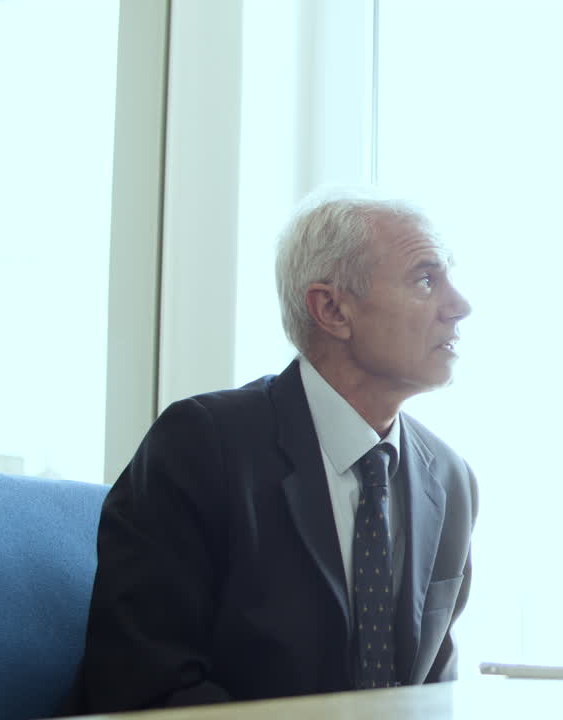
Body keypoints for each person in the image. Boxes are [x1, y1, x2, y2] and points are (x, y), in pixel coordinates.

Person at [73, 192, 476, 710]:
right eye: (426, 279)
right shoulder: (199, 445)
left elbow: (434, 692)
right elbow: (145, 685)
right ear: (331, 309)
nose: (459, 305)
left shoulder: (450, 478)